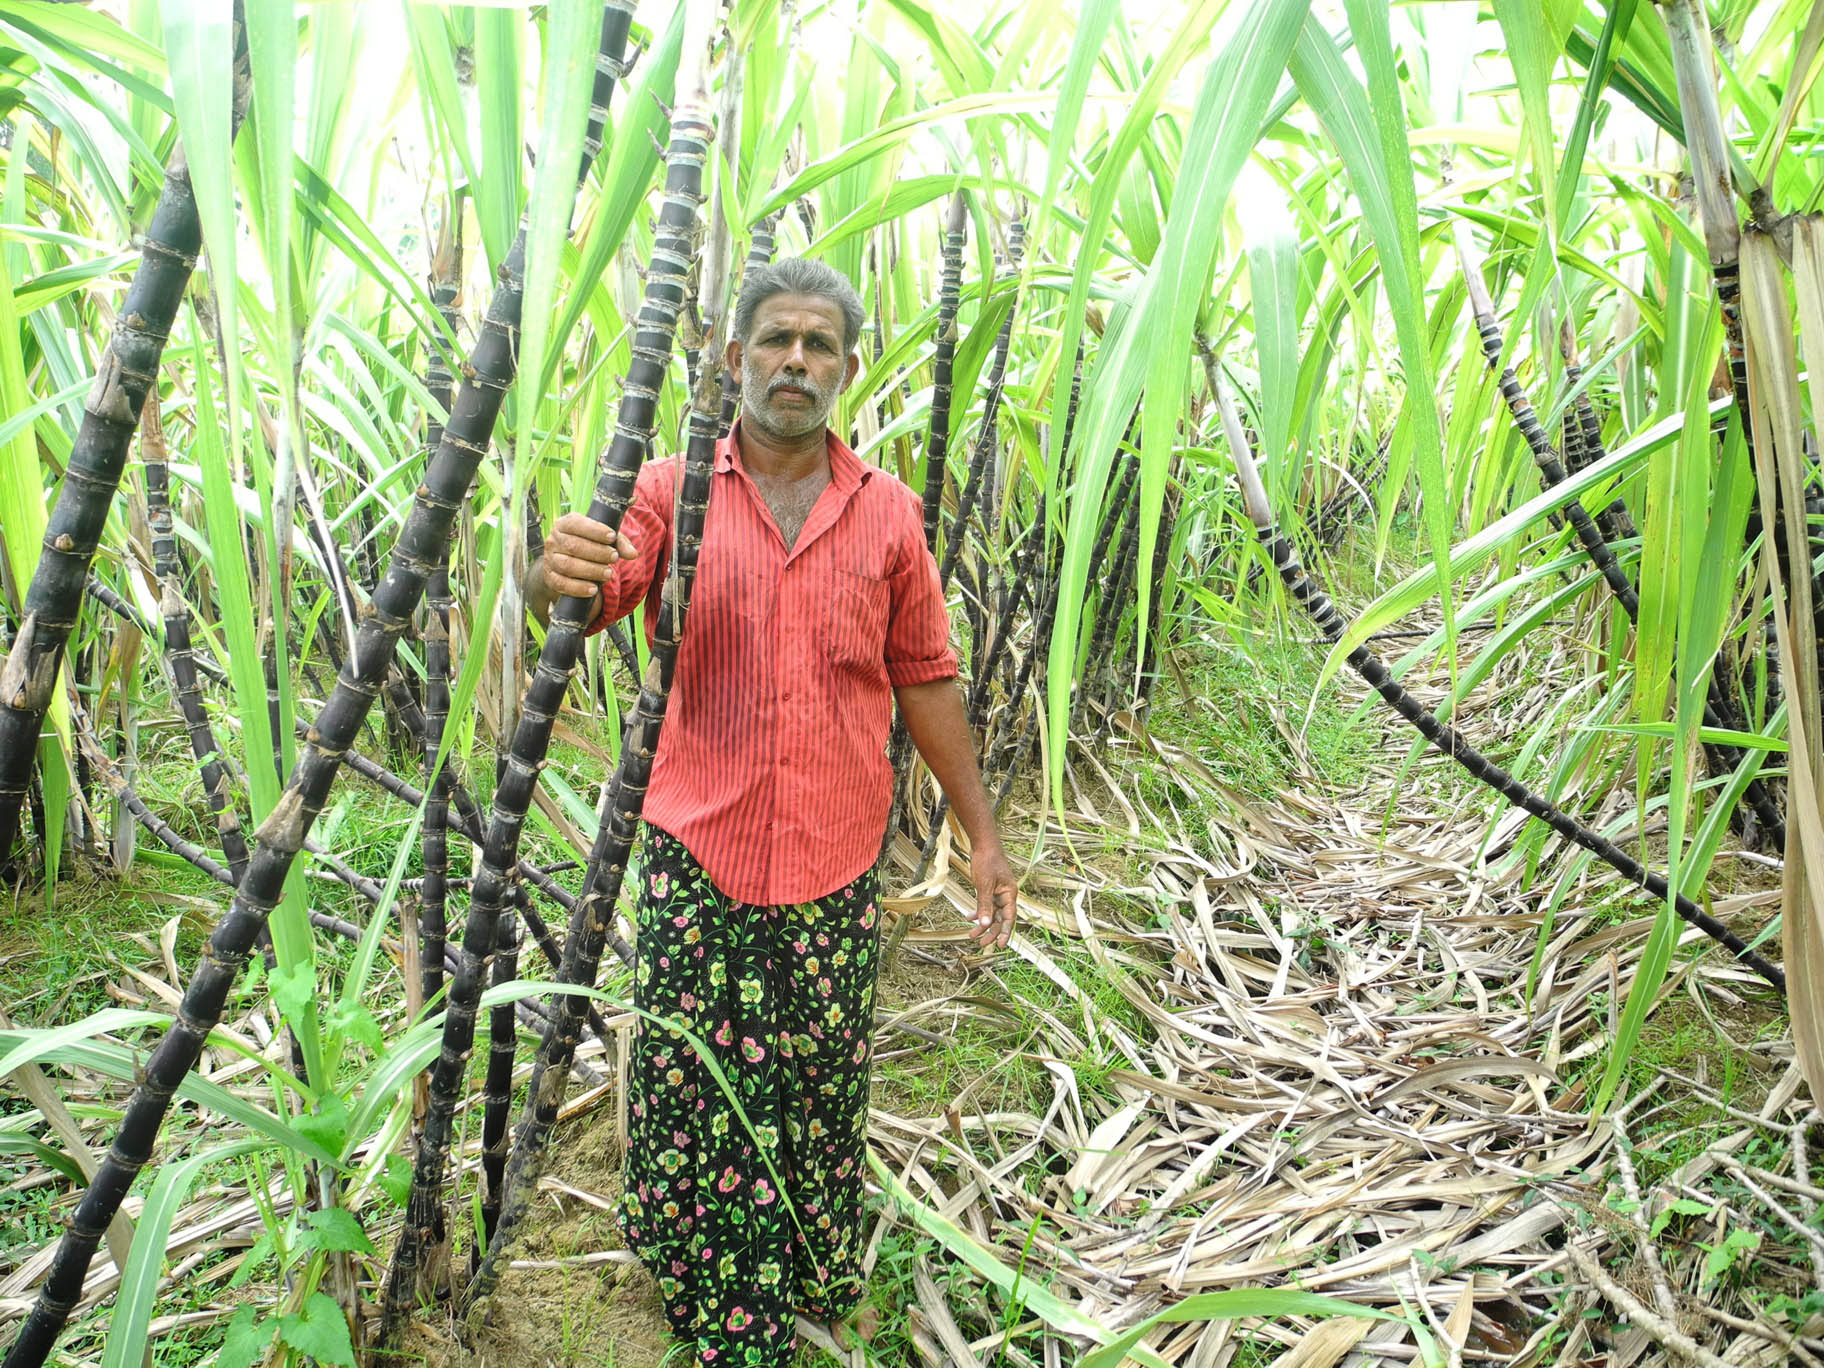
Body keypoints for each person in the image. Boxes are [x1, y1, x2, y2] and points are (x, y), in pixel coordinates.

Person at [523, 256, 1019, 1366]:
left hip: (837, 855)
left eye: (820, 346)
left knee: (818, 1074)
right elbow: (591, 592)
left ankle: (811, 1259)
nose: (796, 362)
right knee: (697, 1082)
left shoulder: (885, 513)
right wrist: (544, 567)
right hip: (702, 849)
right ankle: (726, 1313)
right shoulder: (668, 491)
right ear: (733, 354)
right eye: (777, 341)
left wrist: (982, 834)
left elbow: (925, 674)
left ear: (845, 369)